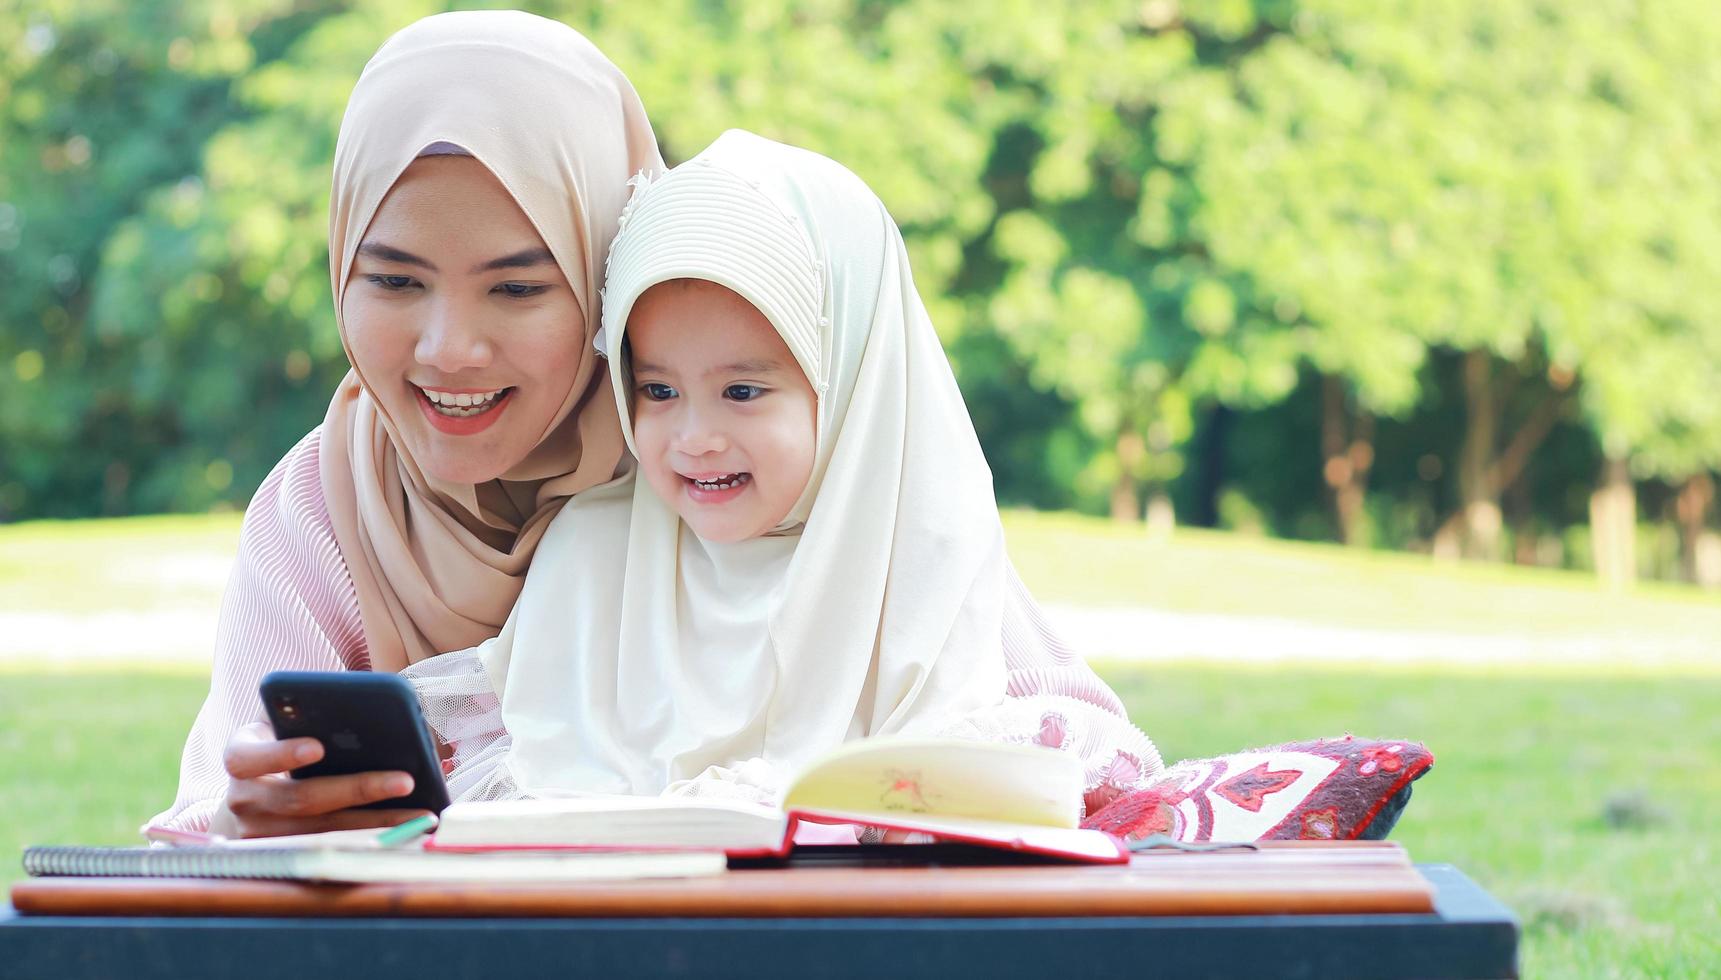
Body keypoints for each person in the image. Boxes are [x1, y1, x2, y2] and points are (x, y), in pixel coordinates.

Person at [407, 131, 1163, 818]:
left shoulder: (923, 555)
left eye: (742, 391)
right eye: (658, 390)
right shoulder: (595, 555)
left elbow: (1101, 767)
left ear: (844, 386)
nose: (695, 438)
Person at [148, 10, 664, 837]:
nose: (448, 350)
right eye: (393, 280)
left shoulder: (698, 475)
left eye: (517, 288)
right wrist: (246, 820)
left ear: (610, 283)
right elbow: (214, 814)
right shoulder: (322, 504)